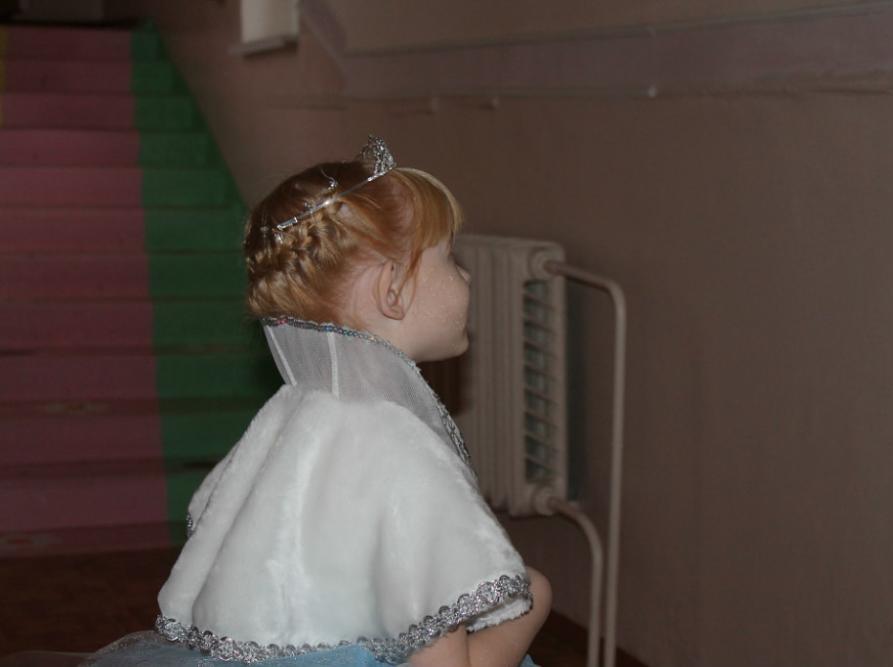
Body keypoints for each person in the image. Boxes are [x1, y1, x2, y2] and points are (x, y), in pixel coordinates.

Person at [83, 136, 551, 666]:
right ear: (393, 290)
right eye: (449, 257)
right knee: (533, 590)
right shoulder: (402, 452)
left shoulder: (289, 419)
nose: (464, 275)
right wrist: (534, 604)